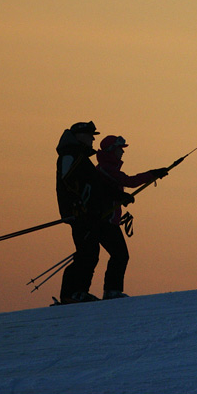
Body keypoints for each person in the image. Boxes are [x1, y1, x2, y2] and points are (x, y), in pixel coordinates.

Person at [55, 121, 132, 304]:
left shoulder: (80, 158)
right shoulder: (70, 156)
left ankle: (77, 293)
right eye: (90, 135)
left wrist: (118, 196)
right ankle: (73, 293)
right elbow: (67, 184)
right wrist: (75, 207)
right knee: (87, 253)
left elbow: (97, 185)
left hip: (87, 214)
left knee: (89, 253)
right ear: (79, 136)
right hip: (79, 214)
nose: (92, 139)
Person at [95, 135, 169, 299]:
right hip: (104, 221)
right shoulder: (106, 169)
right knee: (120, 255)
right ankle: (111, 291)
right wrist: (152, 174)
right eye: (120, 149)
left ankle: (111, 291)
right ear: (112, 151)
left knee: (118, 254)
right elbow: (129, 181)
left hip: (109, 220)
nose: (122, 152)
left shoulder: (107, 168)